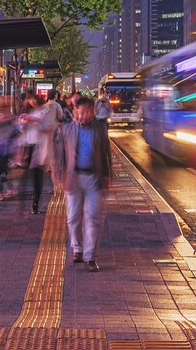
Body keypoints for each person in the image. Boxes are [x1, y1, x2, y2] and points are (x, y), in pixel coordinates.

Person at [51, 96, 112, 272]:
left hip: (94, 177)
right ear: (76, 111)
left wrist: (107, 175)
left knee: (93, 217)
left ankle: (90, 256)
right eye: (80, 111)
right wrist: (57, 173)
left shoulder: (100, 128)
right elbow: (59, 152)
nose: (83, 115)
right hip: (74, 177)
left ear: (93, 112)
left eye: (87, 111)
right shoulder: (67, 128)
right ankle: (77, 248)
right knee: (73, 217)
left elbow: (105, 152)